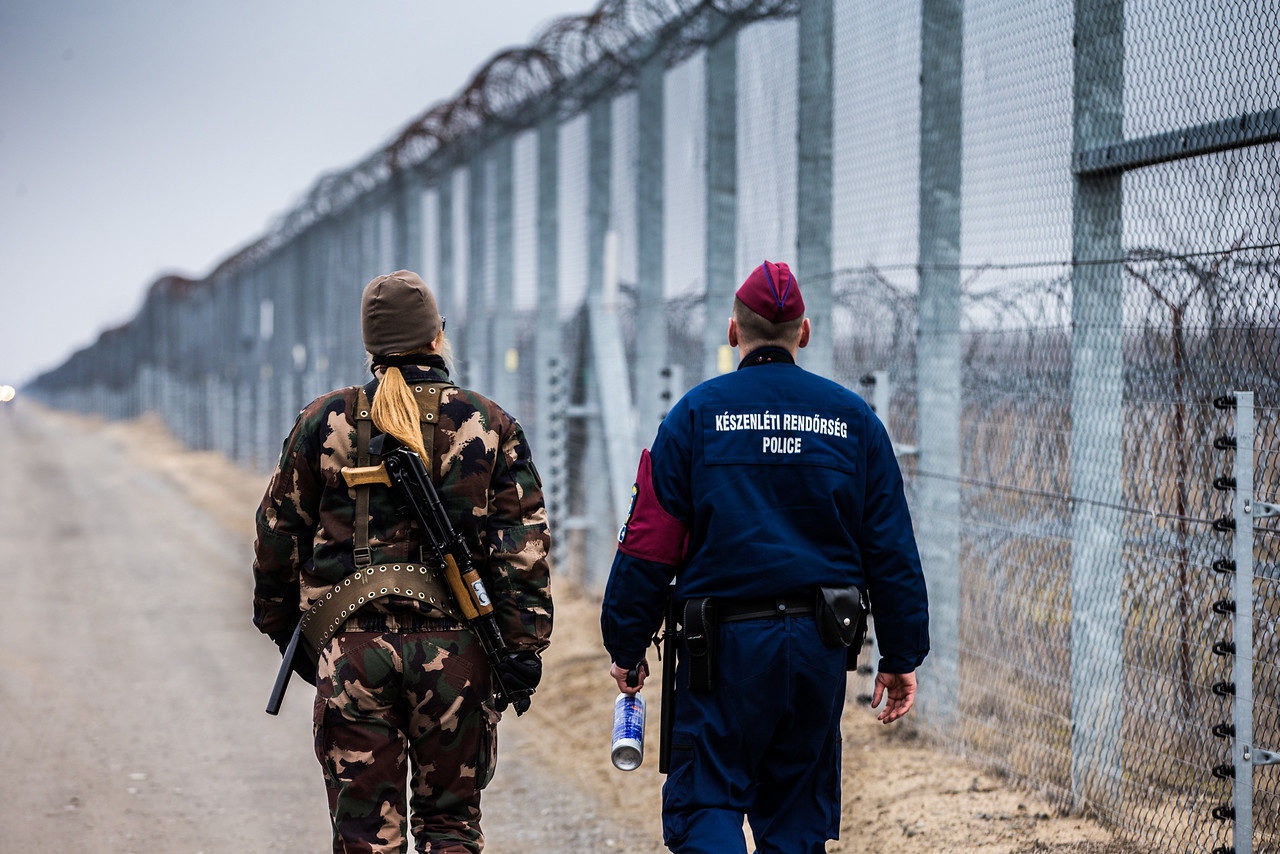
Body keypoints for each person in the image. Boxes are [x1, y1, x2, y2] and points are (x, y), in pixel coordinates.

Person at [600, 260, 929, 853]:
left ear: (734, 332)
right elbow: (891, 547)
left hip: (717, 650)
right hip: (819, 646)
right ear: (804, 333)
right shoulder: (854, 422)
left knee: (707, 800)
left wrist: (626, 642)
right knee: (797, 816)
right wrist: (901, 653)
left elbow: (649, 542)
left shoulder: (695, 417)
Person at [252, 270, 553, 853]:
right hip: (459, 656)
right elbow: (523, 552)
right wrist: (521, 649)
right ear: (437, 337)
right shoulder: (488, 423)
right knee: (451, 830)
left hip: (353, 655)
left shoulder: (324, 422)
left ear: (369, 346)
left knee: (365, 837)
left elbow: (276, 535)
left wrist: (288, 630)